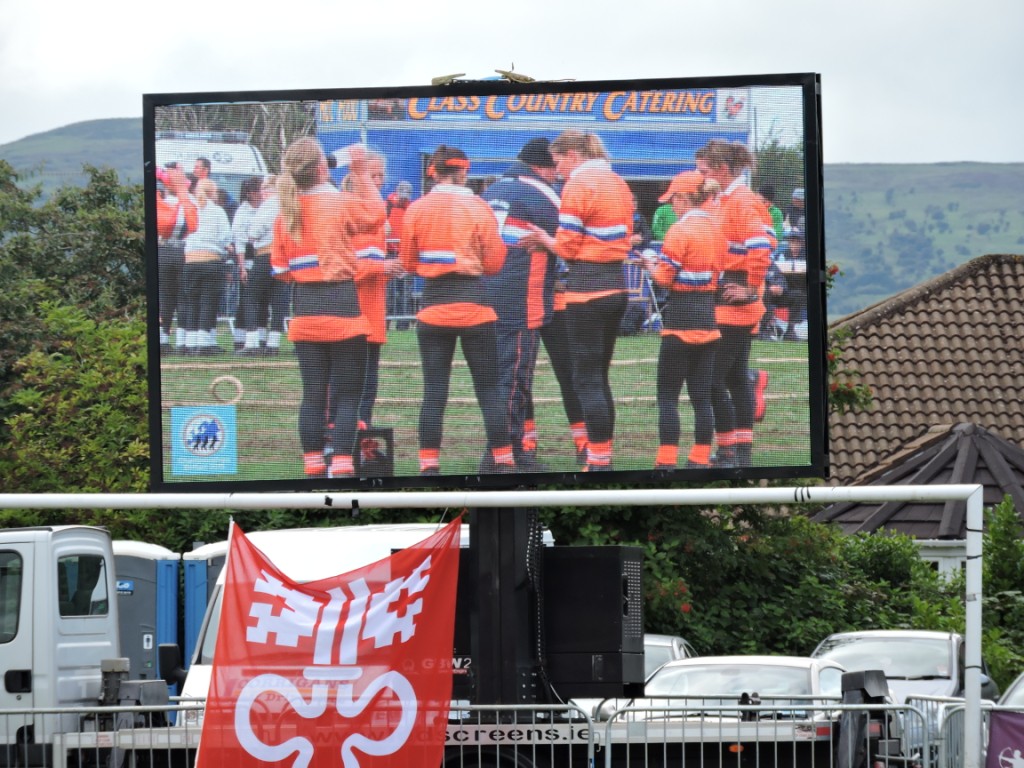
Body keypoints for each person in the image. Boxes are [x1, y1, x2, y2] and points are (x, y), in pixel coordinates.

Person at [519, 130, 633, 471]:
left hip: (587, 290)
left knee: (587, 380)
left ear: (572, 154)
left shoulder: (578, 184)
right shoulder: (618, 182)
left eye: (558, 161)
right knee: (600, 377)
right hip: (617, 287)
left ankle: (597, 461)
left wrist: (544, 238)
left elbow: (567, 248)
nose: (557, 169)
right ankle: (602, 456)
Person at [271, 138, 384, 479]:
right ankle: (343, 465)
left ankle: (313, 466)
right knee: (348, 397)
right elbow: (376, 215)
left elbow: (280, 270)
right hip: (343, 307)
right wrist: (361, 173)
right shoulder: (338, 202)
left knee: (313, 395)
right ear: (323, 168)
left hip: (305, 310)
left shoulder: (286, 212)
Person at [399, 144, 514, 475]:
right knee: (489, 390)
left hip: (433, 307)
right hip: (474, 306)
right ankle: (504, 461)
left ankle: (429, 467)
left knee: (434, 392)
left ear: (434, 172)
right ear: (463, 171)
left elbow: (408, 262)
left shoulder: (417, 208)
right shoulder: (479, 207)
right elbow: (494, 263)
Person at [480, 137, 562, 469]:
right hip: (521, 298)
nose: (558, 174)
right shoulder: (544, 194)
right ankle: (503, 455)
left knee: (496, 377)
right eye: (555, 168)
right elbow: (571, 241)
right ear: (543, 167)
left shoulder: (492, 191)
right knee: (514, 378)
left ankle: (506, 450)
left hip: (485, 295)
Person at [695, 139, 777, 467]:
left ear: (722, 169)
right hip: (727, 294)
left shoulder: (742, 201)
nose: (701, 177)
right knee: (735, 378)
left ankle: (729, 451)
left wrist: (751, 289)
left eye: (704, 170)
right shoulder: (726, 200)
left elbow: (762, 245)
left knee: (711, 379)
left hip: (735, 299)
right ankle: (739, 452)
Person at [644, 171, 725, 469]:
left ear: (682, 198)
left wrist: (650, 265)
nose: (671, 206)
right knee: (701, 397)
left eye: (673, 200)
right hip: (708, 321)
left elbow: (665, 279)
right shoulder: (716, 229)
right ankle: (700, 457)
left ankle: (666, 460)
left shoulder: (679, 231)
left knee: (667, 396)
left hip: (679, 322)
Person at [350, 150, 404, 428]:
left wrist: (391, 270)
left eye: (381, 175)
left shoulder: (380, 221)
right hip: (349, 312)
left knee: (369, 380)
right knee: (350, 381)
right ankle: (343, 435)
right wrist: (380, 267)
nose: (378, 181)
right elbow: (339, 269)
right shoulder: (345, 213)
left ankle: (364, 431)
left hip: (372, 312)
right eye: (372, 175)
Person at [181, 179, 232, 355]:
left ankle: (190, 343)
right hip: (211, 261)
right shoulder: (217, 212)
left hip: (190, 261)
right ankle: (204, 343)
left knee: (193, 302)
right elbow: (225, 237)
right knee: (208, 302)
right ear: (213, 193)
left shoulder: (189, 209)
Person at [239, 176, 287, 356]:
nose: (262, 193)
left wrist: (251, 236)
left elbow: (254, 232)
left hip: (265, 254)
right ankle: (273, 342)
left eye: (264, 189)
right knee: (278, 298)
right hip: (283, 256)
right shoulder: (286, 205)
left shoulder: (269, 206)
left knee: (251, 297)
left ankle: (252, 343)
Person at [155, 163, 197, 354]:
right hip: (182, 252)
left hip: (163, 251)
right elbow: (193, 226)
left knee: (165, 297)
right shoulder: (188, 202)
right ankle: (183, 342)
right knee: (183, 297)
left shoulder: (160, 203)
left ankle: (163, 340)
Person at [229, 176, 263, 352]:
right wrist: (242, 266)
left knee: (263, 301)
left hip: (265, 259)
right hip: (249, 260)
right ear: (249, 193)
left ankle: (262, 339)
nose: (261, 194)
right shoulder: (242, 212)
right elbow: (239, 240)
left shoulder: (267, 208)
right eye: (258, 190)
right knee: (247, 300)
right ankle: (242, 340)